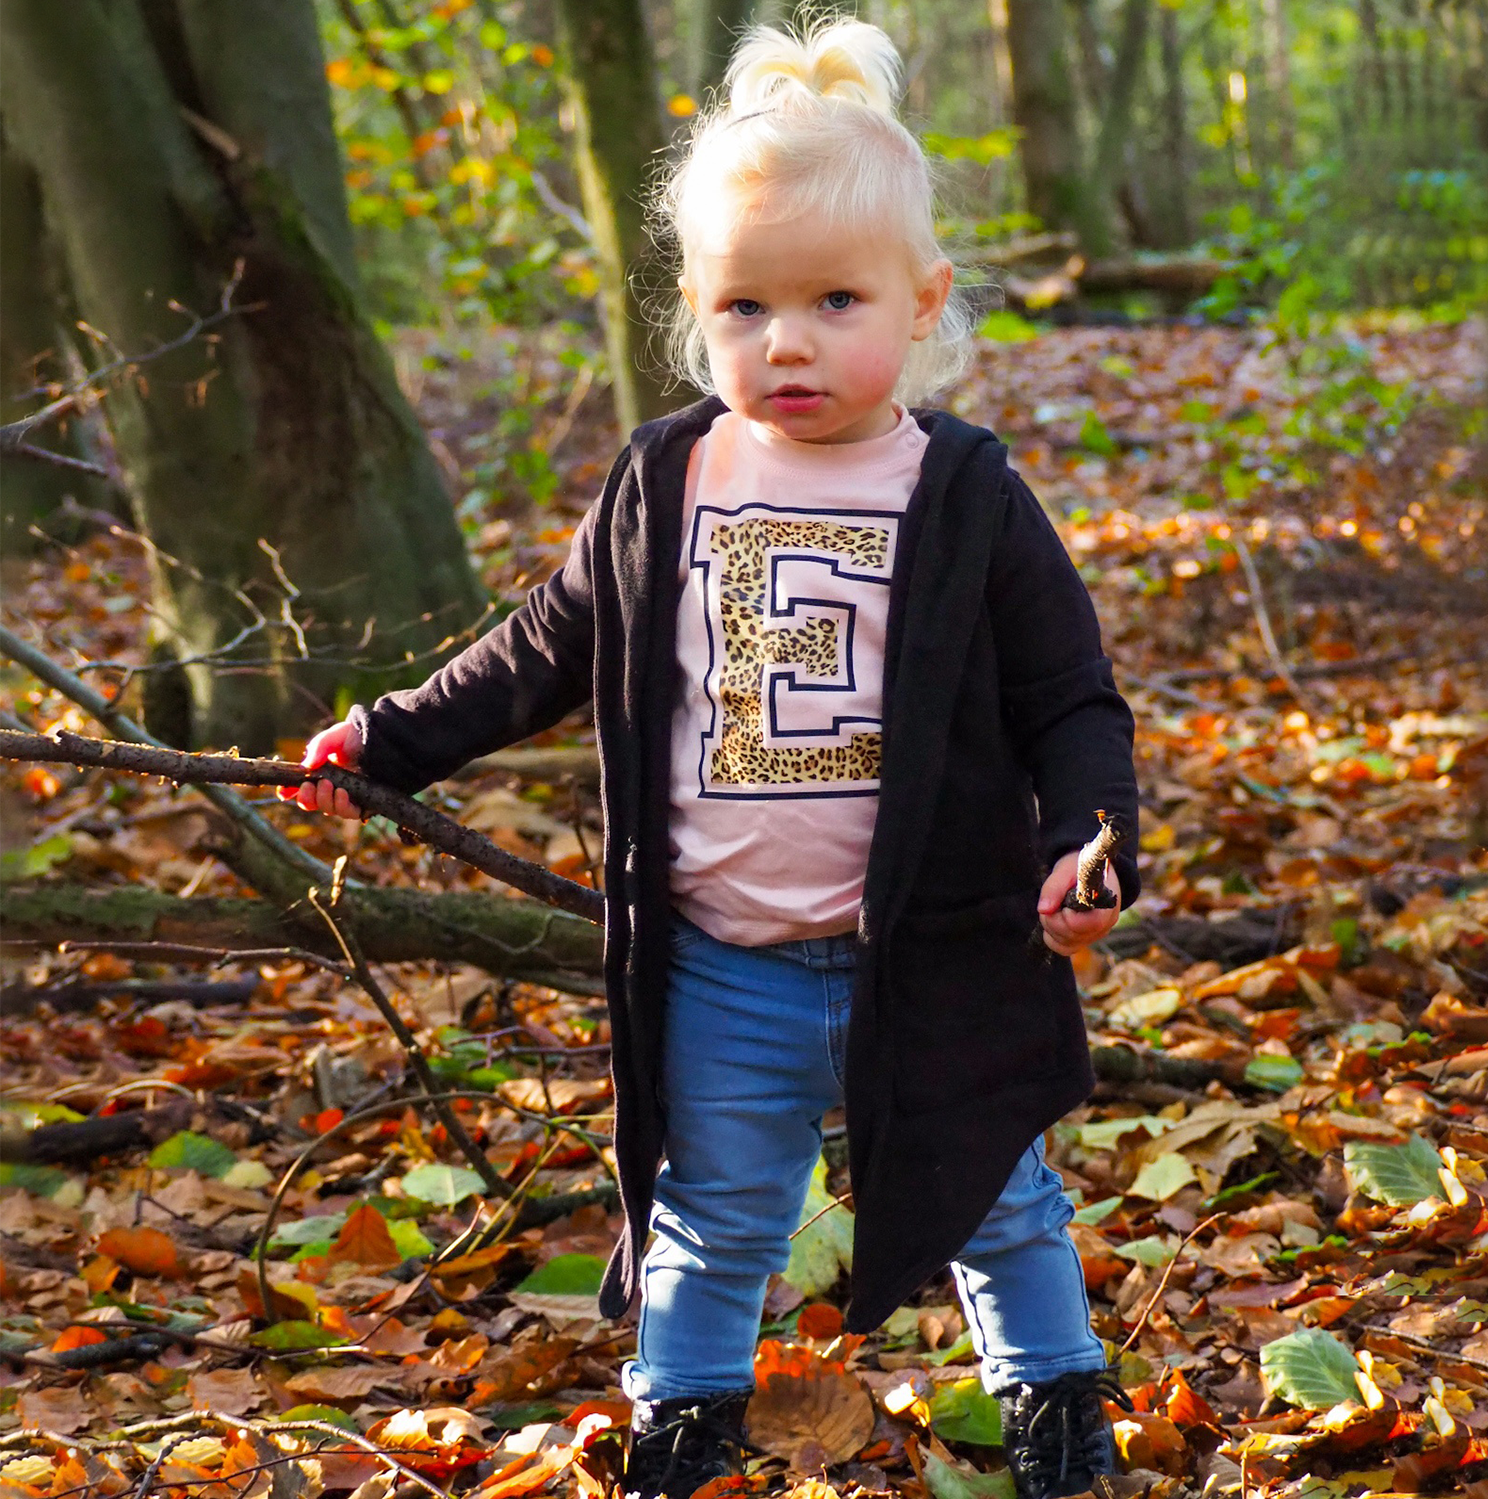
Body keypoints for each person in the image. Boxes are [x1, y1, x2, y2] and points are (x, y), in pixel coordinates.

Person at [284, 16, 1139, 1499]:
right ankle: (679, 1436)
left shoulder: (967, 495)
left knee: (1001, 1192)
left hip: (933, 947)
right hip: (725, 960)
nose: (786, 340)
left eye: (832, 301)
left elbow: (1073, 696)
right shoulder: (667, 480)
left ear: (923, 304)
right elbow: (548, 640)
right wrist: (395, 736)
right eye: (745, 305)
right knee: (714, 1211)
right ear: (695, 305)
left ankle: (1060, 1425)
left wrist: (1091, 837)